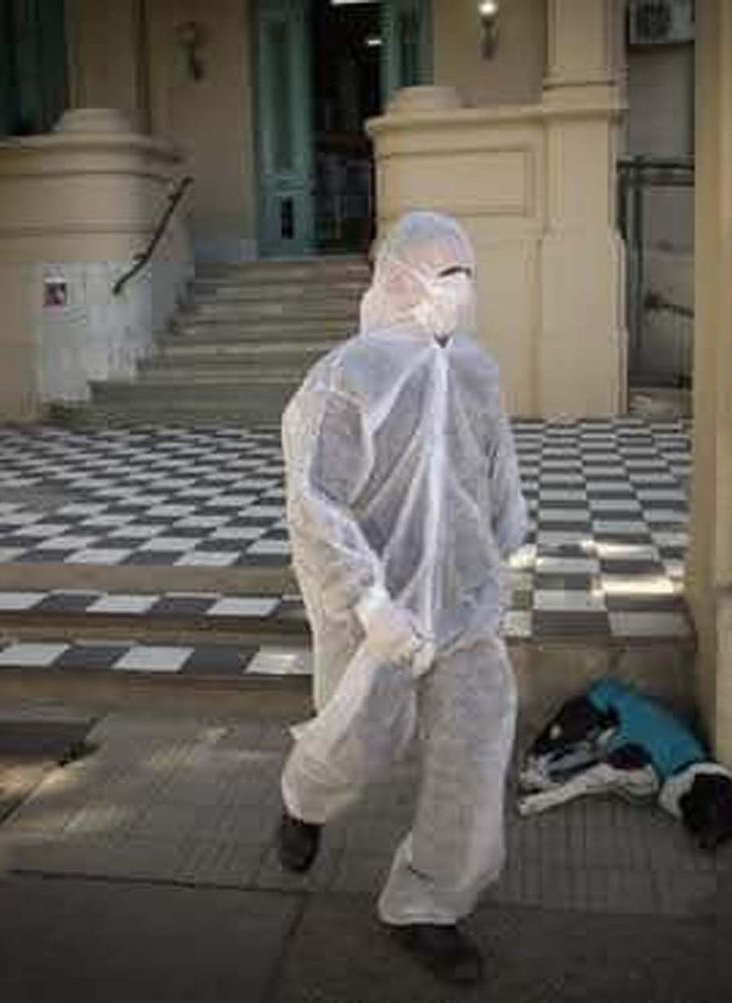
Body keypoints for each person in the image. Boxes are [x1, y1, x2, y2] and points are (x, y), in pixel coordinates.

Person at [274, 211, 528, 985]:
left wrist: (510, 544)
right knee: (359, 739)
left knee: (476, 748)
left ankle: (429, 904)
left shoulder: (478, 371)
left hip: (464, 603)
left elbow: (496, 469)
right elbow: (315, 501)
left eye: (466, 270)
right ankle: (304, 799)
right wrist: (368, 601)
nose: (461, 286)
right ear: (396, 279)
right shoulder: (346, 376)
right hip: (379, 609)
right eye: (442, 270)